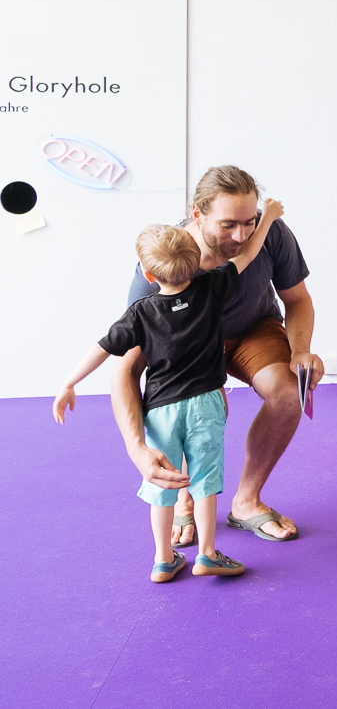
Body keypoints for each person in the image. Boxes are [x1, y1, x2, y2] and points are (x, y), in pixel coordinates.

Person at [67, 204, 281, 581]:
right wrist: (267, 219)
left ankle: (164, 559)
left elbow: (102, 348)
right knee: (205, 482)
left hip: (161, 411)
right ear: (197, 263)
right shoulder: (211, 288)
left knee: (162, 484)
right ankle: (207, 554)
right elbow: (248, 254)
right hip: (207, 403)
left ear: (149, 274)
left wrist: (69, 383)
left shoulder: (140, 312)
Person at [111, 166, 322, 547]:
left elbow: (297, 299)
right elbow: (126, 368)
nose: (241, 236)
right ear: (197, 214)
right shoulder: (165, 259)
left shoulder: (270, 232)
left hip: (252, 327)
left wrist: (300, 350)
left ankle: (246, 502)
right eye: (228, 225)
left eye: (249, 222)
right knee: (196, 407)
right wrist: (136, 448)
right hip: (188, 345)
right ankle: (183, 498)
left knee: (289, 392)